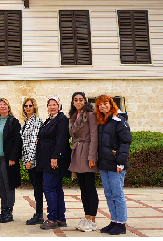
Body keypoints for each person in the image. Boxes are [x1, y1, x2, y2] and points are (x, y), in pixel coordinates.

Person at [95, 94, 132, 236]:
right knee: (109, 194)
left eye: (105, 103)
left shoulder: (119, 120)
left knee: (117, 194)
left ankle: (121, 223)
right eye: (100, 104)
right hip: (104, 164)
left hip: (116, 164)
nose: (103, 106)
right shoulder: (102, 121)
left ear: (111, 104)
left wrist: (121, 162)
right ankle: (114, 220)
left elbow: (126, 141)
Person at [35, 96, 71, 230]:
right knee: (56, 188)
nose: (52, 107)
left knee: (48, 187)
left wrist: (56, 157)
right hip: (46, 160)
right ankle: (60, 218)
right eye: (50, 105)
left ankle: (52, 219)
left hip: (54, 161)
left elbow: (61, 140)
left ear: (59, 106)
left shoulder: (62, 120)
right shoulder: (49, 120)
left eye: (54, 104)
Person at [68, 92, 99, 232]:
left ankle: (93, 220)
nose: (78, 102)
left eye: (81, 99)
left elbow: (94, 136)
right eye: (76, 100)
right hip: (77, 152)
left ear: (85, 101)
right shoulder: (74, 116)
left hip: (87, 152)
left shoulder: (91, 115)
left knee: (90, 187)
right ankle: (86, 217)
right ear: (73, 102)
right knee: (83, 188)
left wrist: (92, 157)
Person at [0, 98, 22, 223]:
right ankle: (3, 210)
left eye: (5, 105)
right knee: (1, 185)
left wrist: (13, 157)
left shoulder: (13, 122)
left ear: (8, 107)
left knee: (9, 185)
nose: (2, 107)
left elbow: (17, 141)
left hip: (7, 159)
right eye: (0, 105)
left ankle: (9, 211)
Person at [20, 97, 44, 225]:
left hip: (33, 160)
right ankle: (38, 212)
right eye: (25, 105)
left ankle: (39, 214)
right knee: (35, 186)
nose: (27, 108)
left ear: (34, 107)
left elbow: (34, 143)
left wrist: (30, 160)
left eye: (30, 105)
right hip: (27, 159)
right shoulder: (25, 121)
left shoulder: (36, 121)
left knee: (38, 187)